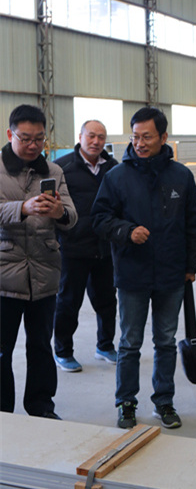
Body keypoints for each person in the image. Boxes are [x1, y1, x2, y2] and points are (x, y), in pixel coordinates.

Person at [92, 107, 196, 430]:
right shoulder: (117, 177)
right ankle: (126, 402)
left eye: (147, 137)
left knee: (165, 341)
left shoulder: (181, 177)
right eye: (135, 137)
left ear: (163, 137)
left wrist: (191, 265)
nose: (139, 143)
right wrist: (126, 231)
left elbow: (193, 225)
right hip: (132, 274)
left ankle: (164, 401)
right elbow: (99, 219)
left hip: (171, 274)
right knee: (129, 343)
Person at [0, 104, 77, 418]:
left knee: (42, 347)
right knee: (2, 351)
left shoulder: (54, 172)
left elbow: (71, 216)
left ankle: (41, 406)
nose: (33, 145)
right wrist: (22, 208)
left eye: (39, 139)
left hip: (44, 274)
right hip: (4, 276)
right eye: (26, 138)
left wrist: (60, 212)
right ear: (10, 134)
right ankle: (3, 411)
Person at [53, 120, 118, 372]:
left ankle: (105, 346)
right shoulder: (62, 168)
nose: (96, 141)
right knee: (68, 302)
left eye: (101, 137)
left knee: (107, 301)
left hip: (105, 248)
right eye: (91, 136)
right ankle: (63, 351)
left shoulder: (113, 168)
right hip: (73, 248)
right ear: (80, 136)